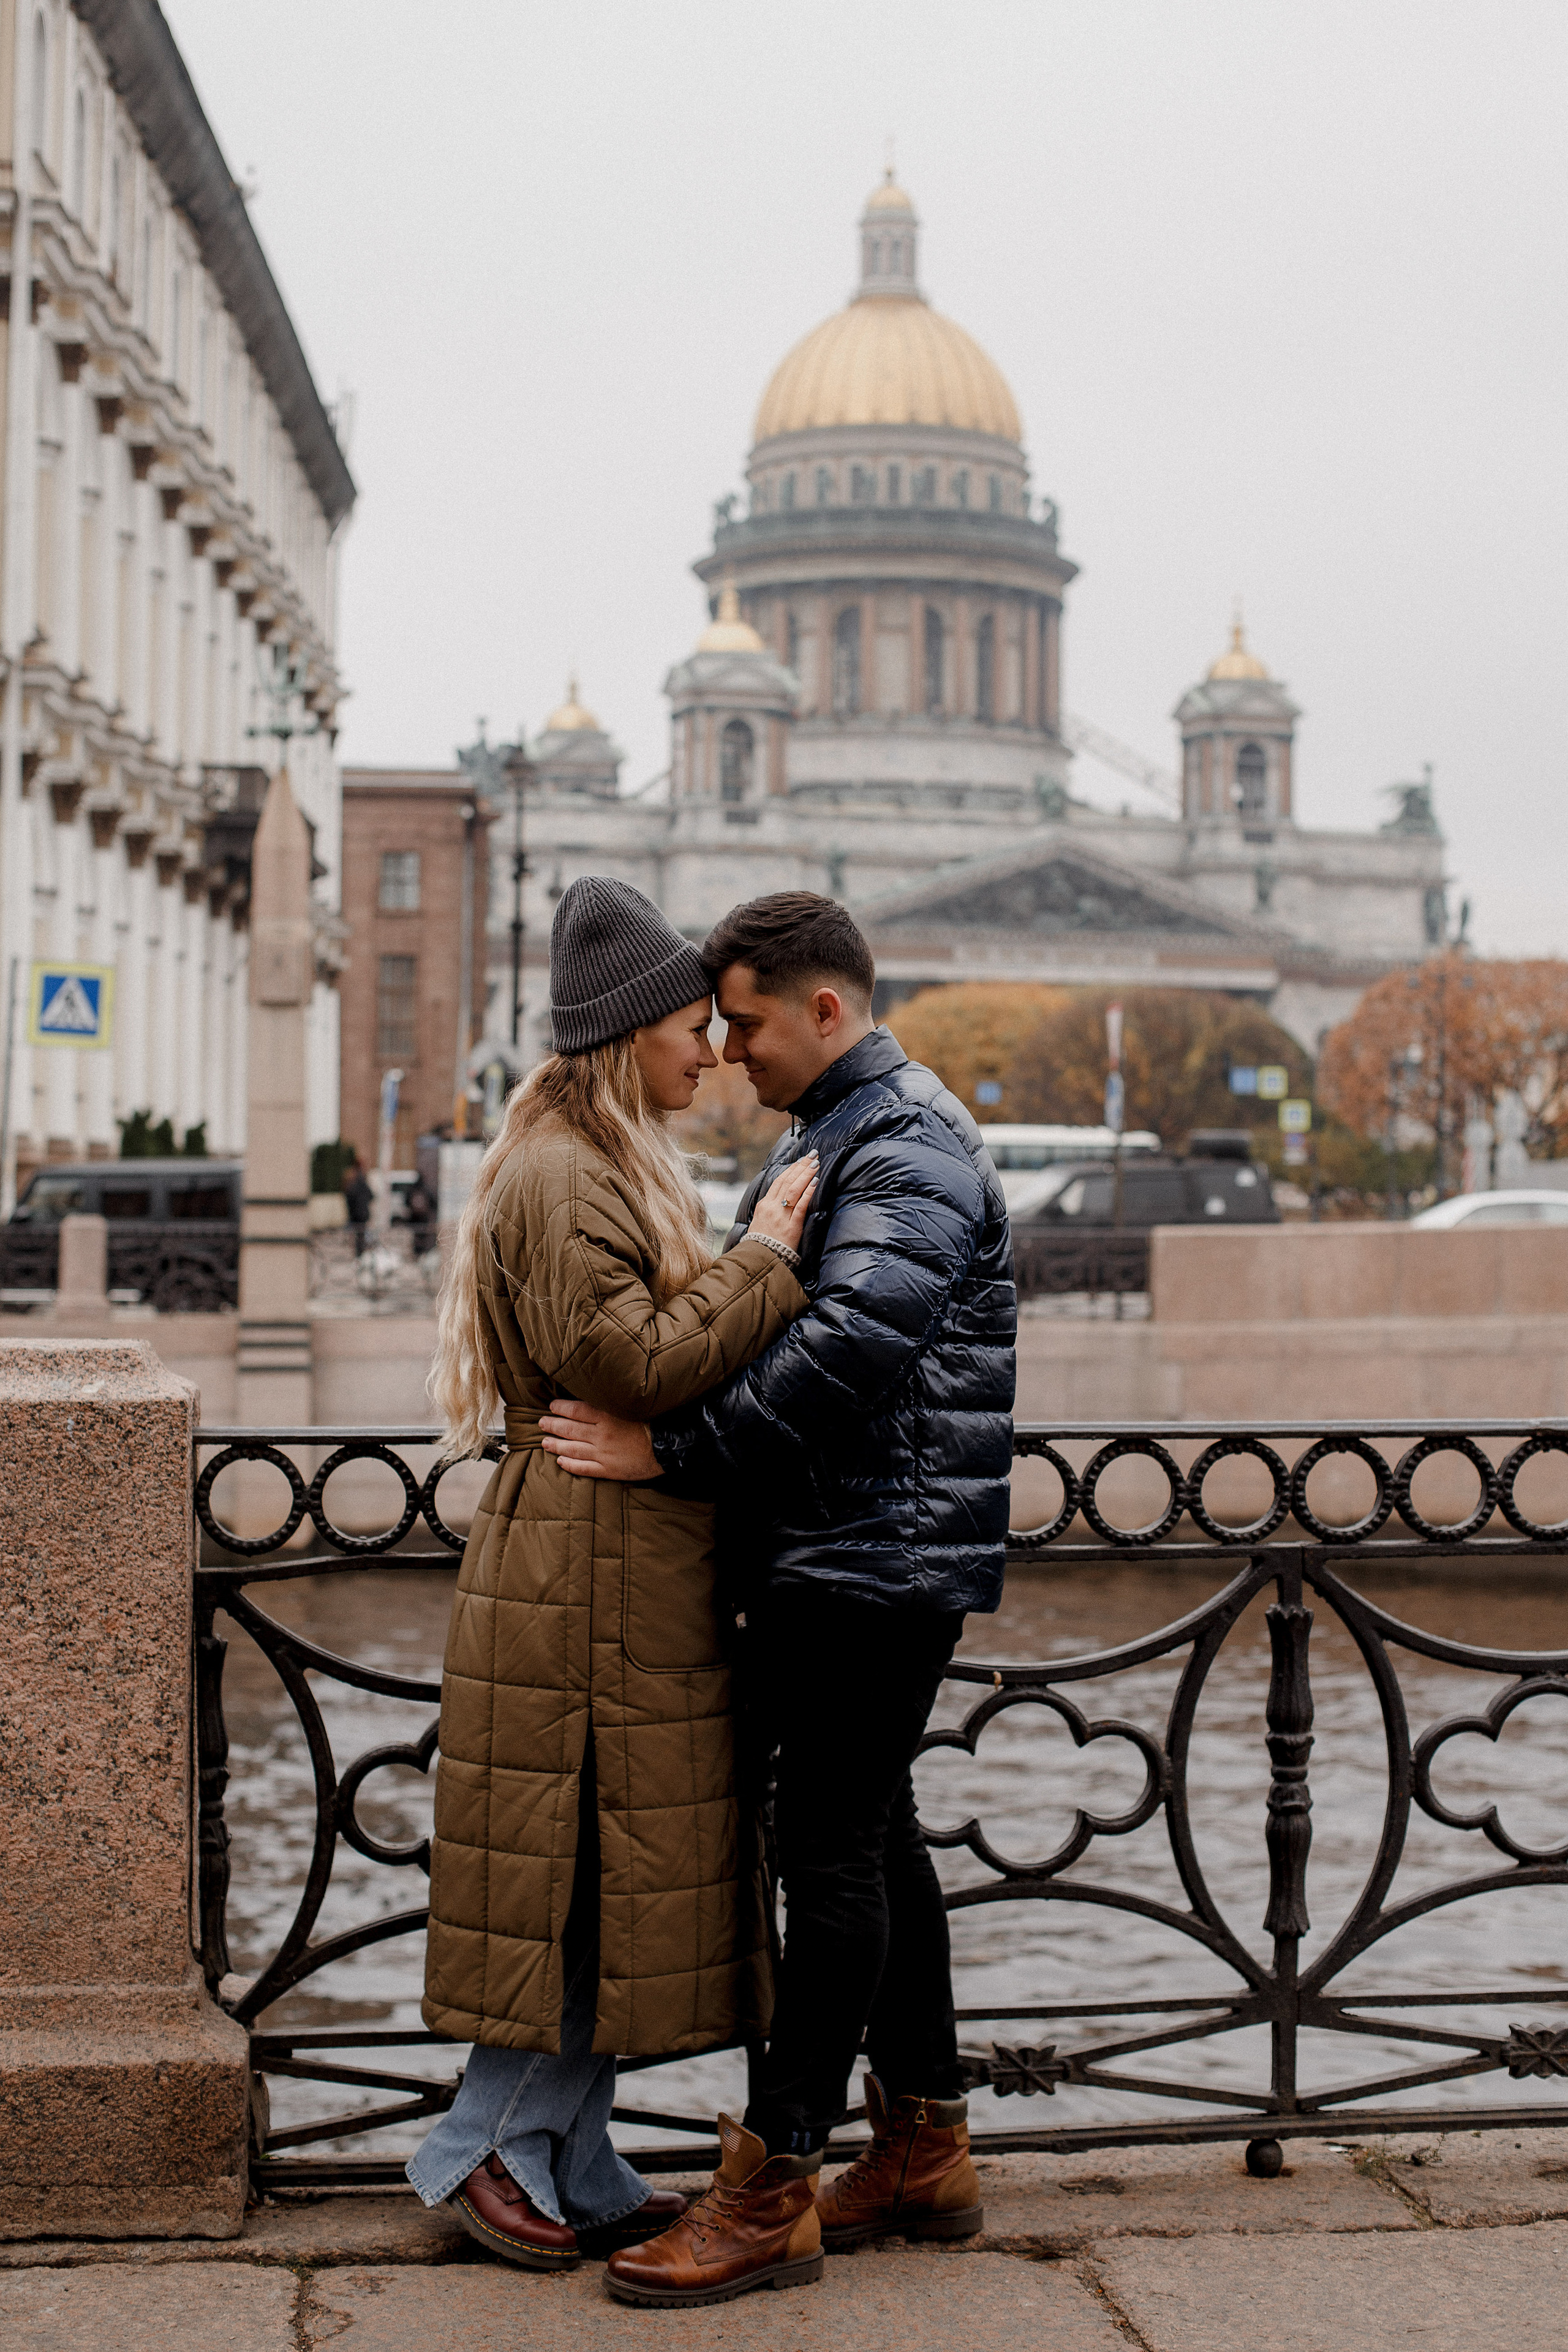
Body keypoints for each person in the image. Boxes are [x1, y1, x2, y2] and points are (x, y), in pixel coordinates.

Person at [540, 890, 1016, 2310]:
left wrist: (666, 1446)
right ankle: (923, 2143)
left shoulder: (903, 1139)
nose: (726, 1048)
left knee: (828, 1855)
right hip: (858, 1540)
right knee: (874, 1834)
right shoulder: (848, 1129)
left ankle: (770, 2186)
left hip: (872, 1551)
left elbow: (846, 1352)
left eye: (742, 1020)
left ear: (824, 1007)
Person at [409, 875, 820, 2276]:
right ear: (625, 1028)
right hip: (581, 1563)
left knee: (612, 1859)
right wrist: (767, 1259)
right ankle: (477, 2144)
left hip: (610, 1560)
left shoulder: (594, 1158)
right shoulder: (565, 1174)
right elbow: (630, 1364)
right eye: (686, 1023)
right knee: (583, 1867)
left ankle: (572, 2154)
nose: (708, 1048)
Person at [343, 1155, 372, 1256]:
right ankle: (361, 1254)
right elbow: (371, 1196)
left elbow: (348, 1196)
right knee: (361, 1235)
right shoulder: (363, 1180)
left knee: (358, 1236)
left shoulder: (352, 1179)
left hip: (355, 1213)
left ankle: (359, 1254)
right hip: (362, 1213)